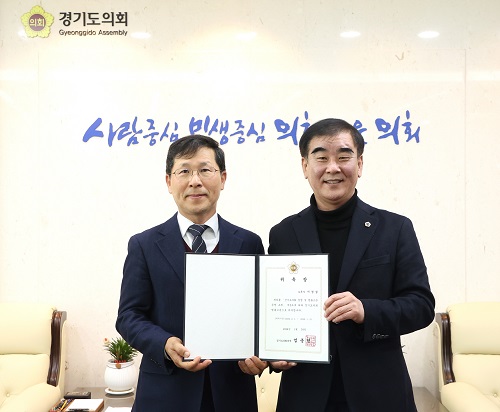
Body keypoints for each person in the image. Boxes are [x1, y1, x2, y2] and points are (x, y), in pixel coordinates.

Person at [268, 118, 435, 412]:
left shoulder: (395, 228)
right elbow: (272, 311)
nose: (333, 167)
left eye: (343, 157)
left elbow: (421, 306)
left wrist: (366, 311)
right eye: (321, 158)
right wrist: (272, 352)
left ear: (359, 164)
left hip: (379, 393)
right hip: (306, 394)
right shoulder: (283, 234)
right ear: (305, 166)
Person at [116, 134, 268, 411]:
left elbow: (263, 315)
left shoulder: (249, 243)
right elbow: (128, 316)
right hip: (165, 394)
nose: (195, 181)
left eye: (205, 170)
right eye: (184, 171)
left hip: (232, 394)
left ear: (223, 178)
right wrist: (164, 343)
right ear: (168, 181)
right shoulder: (144, 245)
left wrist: (263, 355)